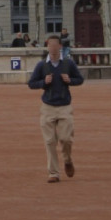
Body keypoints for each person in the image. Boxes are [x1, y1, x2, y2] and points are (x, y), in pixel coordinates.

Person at [27, 34, 85, 183]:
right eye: (50, 45)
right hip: (47, 107)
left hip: (65, 106)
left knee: (66, 139)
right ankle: (53, 173)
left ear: (60, 47)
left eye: (55, 45)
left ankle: (67, 159)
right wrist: (43, 83)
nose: (52, 47)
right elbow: (31, 83)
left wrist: (70, 80)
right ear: (47, 47)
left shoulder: (68, 63)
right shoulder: (42, 65)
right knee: (49, 141)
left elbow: (80, 79)